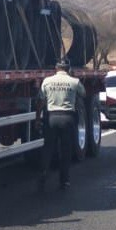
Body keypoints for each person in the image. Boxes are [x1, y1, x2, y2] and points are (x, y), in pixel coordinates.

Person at [38, 60, 79, 193]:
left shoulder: (47, 81)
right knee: (65, 150)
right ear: (68, 69)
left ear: (56, 68)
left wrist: (37, 117)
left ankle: (43, 174)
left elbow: (41, 100)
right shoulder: (74, 81)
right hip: (67, 117)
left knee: (48, 148)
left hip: (51, 117)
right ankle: (64, 180)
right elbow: (83, 93)